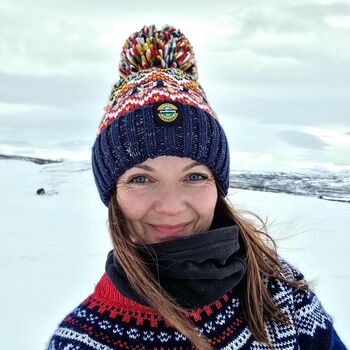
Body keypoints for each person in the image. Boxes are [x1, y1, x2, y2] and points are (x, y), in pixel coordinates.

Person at [46, 24, 347, 350]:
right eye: (141, 179)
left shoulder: (278, 291)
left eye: (194, 176)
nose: (172, 206)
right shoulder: (84, 340)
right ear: (112, 194)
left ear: (218, 186)